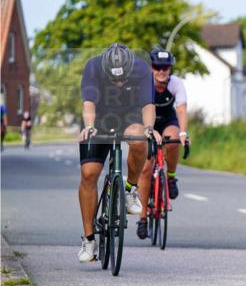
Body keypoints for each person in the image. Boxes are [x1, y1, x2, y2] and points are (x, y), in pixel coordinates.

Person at [77, 44, 161, 263]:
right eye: (114, 80)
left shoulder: (142, 69)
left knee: (140, 138)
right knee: (89, 174)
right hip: (100, 118)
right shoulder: (93, 68)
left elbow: (147, 106)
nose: (119, 83)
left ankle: (130, 189)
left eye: (123, 79)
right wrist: (90, 126)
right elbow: (88, 104)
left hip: (129, 116)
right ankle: (88, 240)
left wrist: (150, 127)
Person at [136, 48, 190, 240]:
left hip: (168, 121)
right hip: (147, 122)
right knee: (145, 169)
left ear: (170, 69)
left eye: (165, 67)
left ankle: (171, 177)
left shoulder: (176, 84)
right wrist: (149, 130)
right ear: (152, 68)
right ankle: (142, 218)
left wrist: (183, 133)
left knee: (173, 139)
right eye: (157, 67)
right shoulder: (145, 84)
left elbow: (182, 110)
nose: (161, 71)